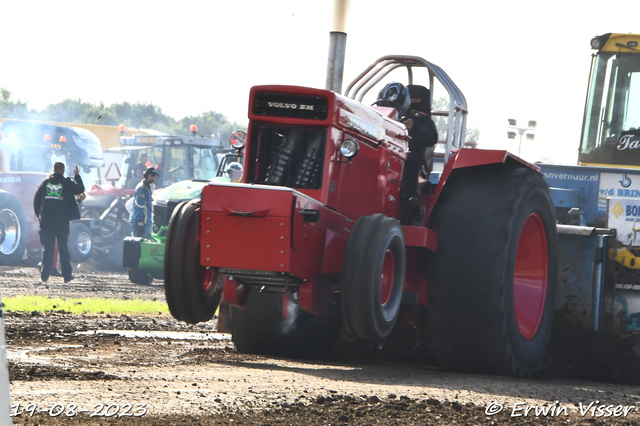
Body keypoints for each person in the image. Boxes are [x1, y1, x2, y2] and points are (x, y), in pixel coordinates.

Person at [375, 82, 438, 216]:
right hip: (383, 155)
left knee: (411, 157)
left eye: (392, 106)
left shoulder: (420, 120)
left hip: (411, 162)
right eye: (385, 106)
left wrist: (413, 128)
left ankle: (411, 197)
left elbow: (431, 138)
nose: (389, 109)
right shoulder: (377, 118)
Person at [33, 162, 85, 283]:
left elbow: (36, 202)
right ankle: (67, 276)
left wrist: (40, 216)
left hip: (46, 222)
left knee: (48, 248)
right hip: (62, 222)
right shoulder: (66, 183)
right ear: (63, 170)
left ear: (53, 169)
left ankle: (44, 276)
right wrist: (77, 176)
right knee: (63, 248)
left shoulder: (44, 183)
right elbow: (80, 189)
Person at [130, 167, 158, 238]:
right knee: (138, 244)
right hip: (141, 222)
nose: (154, 178)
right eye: (153, 176)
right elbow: (139, 205)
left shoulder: (146, 187)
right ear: (149, 176)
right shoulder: (142, 188)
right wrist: (140, 222)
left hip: (145, 221)